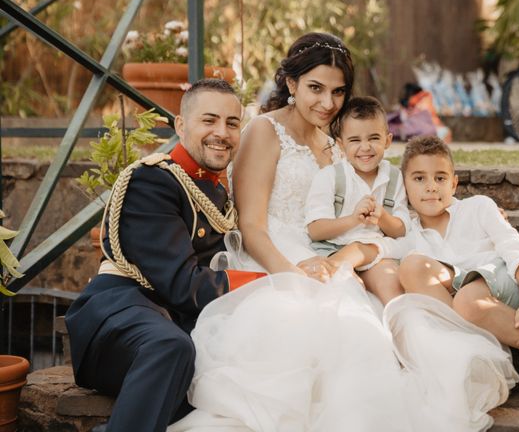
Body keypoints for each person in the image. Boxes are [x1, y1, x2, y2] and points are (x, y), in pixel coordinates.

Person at [169, 33, 422, 432]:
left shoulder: (335, 144)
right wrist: (291, 276)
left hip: (325, 255)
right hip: (270, 255)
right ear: (291, 84)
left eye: (338, 92)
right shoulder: (265, 131)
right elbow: (251, 226)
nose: (328, 103)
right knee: (310, 324)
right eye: (315, 89)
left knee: (362, 332)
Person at [65, 79, 263, 432]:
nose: (222, 132)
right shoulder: (153, 181)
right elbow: (183, 286)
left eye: (232, 123)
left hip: (175, 321)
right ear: (181, 125)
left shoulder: (218, 192)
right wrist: (268, 283)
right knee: (171, 346)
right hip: (119, 317)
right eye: (209, 120)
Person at [395, 135, 519, 365]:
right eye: (419, 178)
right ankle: (470, 345)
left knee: (467, 299)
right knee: (412, 266)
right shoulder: (411, 238)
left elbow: (515, 249)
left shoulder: (478, 207)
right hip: (476, 308)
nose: (431, 186)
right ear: (404, 187)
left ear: (453, 184)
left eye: (440, 177)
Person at [304, 95, 410, 283]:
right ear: (341, 145)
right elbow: (315, 230)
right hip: (333, 249)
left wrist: (383, 217)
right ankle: (331, 271)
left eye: (374, 138)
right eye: (354, 140)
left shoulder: (394, 177)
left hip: (377, 252)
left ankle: (401, 312)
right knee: (349, 288)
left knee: (390, 284)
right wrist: (353, 219)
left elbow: (401, 230)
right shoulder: (330, 177)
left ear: (387, 140)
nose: (365, 147)